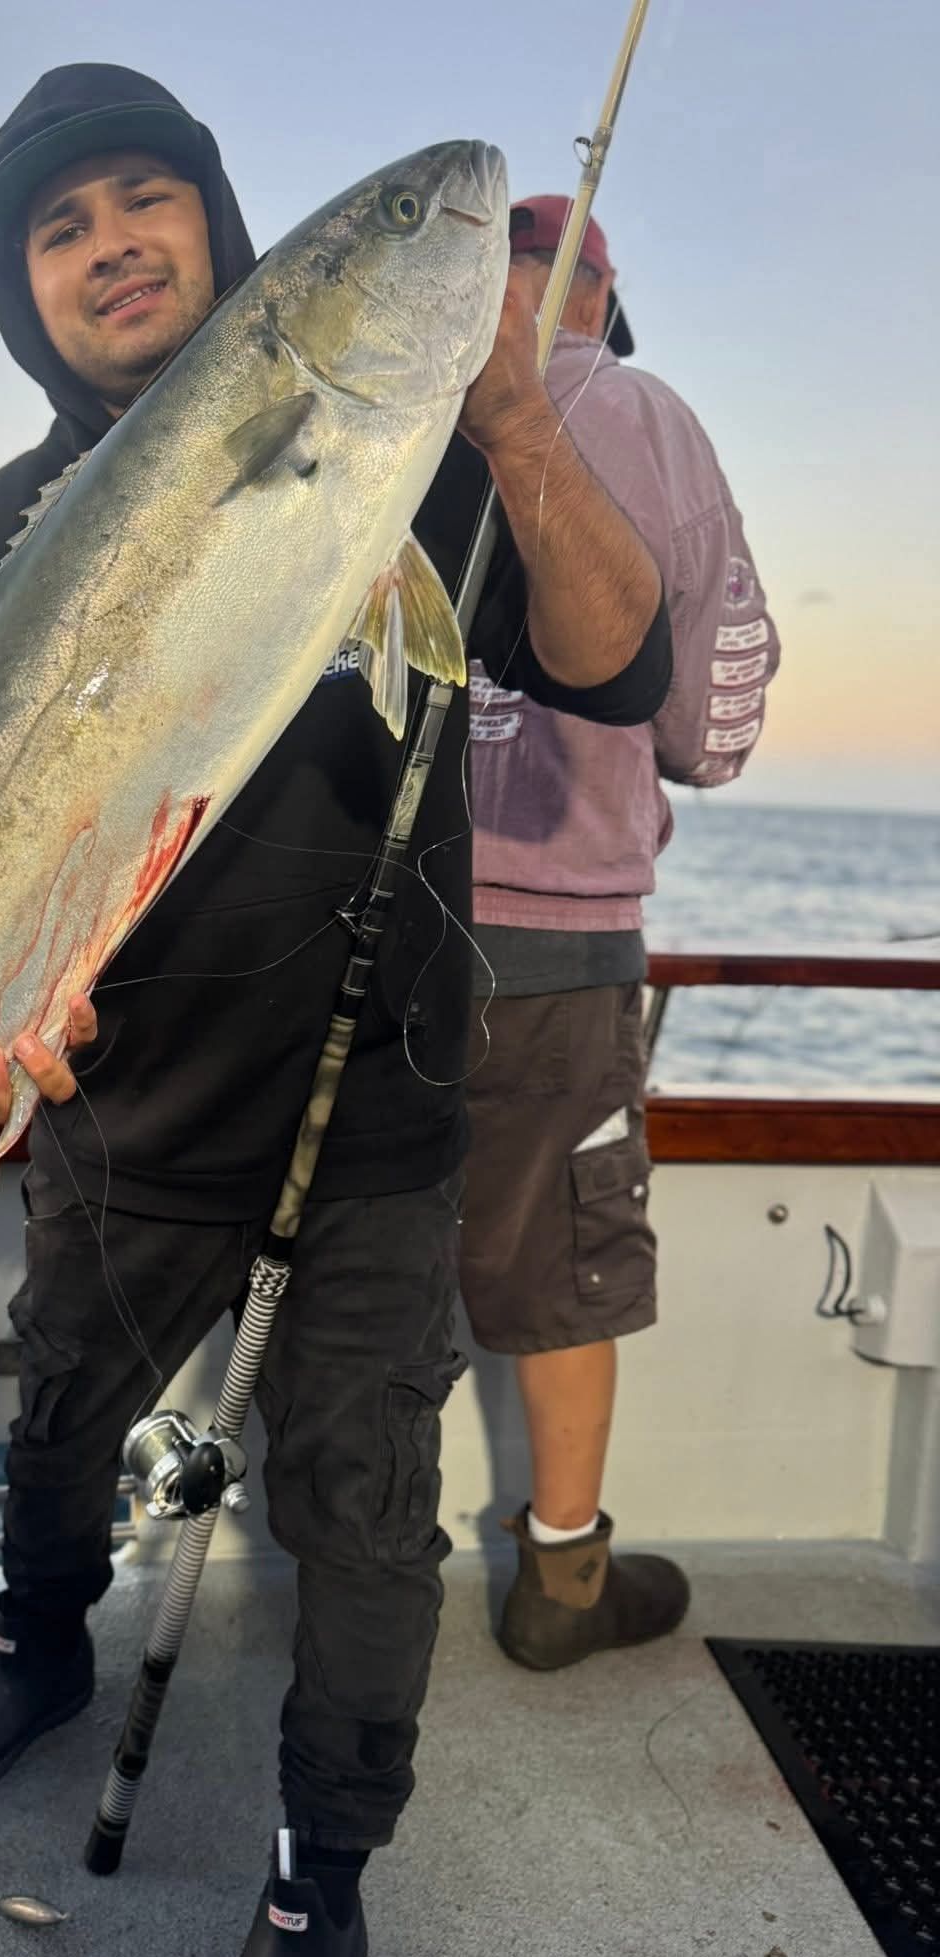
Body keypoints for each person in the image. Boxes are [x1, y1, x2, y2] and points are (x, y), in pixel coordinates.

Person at [0, 70, 672, 1957]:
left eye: (147, 198)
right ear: (21, 291)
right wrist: (0, 992)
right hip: (121, 1115)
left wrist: (500, 410)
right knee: (60, 1422)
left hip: (375, 1113)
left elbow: (617, 664)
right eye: (60, 229)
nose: (111, 245)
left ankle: (325, 1877)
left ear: (222, 231)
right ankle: (36, 1647)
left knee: (363, 1512)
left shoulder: (408, 449)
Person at [459, 196, 780, 1673]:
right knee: (559, 1265)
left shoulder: (403, 417)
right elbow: (713, 730)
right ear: (602, 281)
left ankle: (361, 1560)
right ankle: (562, 1583)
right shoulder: (645, 410)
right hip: (560, 945)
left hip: (363, 927)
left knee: (366, 1258)